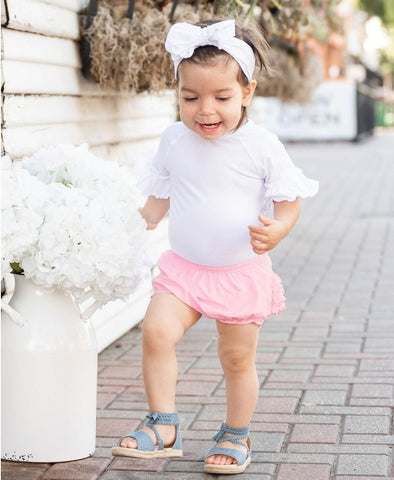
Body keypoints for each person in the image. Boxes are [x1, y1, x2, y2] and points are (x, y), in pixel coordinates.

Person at [111, 18, 318, 475]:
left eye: (221, 97)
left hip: (239, 272)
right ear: (178, 94)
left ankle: (236, 433)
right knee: (156, 332)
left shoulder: (261, 146)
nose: (205, 110)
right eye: (190, 97)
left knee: (236, 357)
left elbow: (289, 201)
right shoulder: (173, 140)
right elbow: (160, 196)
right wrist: (135, 222)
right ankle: (163, 425)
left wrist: (279, 229)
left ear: (247, 93)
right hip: (184, 268)